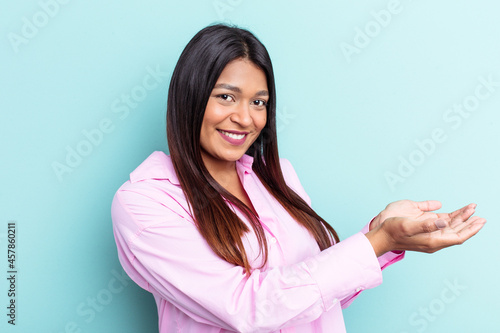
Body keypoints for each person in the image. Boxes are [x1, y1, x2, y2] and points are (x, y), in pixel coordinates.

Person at [111, 24, 486, 333]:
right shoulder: (145, 203)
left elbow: (313, 299)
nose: (246, 118)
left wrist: (384, 234)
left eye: (259, 102)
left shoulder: (278, 177)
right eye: (227, 97)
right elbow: (248, 309)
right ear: (189, 97)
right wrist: (376, 242)